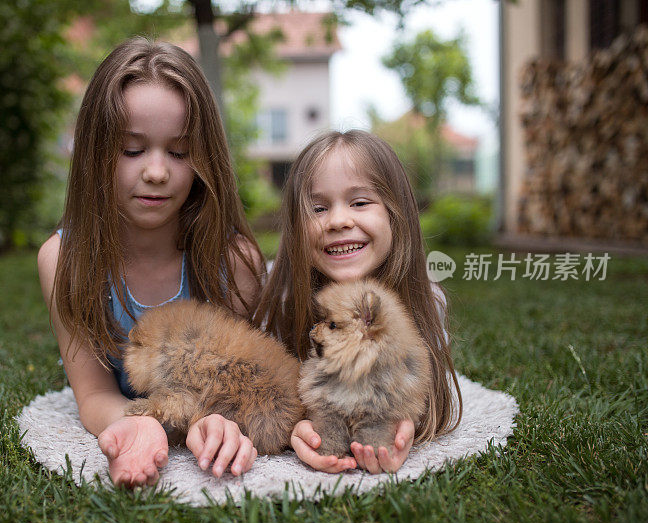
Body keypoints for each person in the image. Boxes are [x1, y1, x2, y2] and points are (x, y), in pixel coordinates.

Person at [37, 38, 264, 489]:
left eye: (179, 153)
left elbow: (234, 386)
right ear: (94, 154)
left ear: (205, 158)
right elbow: (95, 394)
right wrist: (141, 424)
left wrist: (218, 423)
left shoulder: (234, 262)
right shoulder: (65, 261)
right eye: (131, 149)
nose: (157, 172)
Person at [253, 130, 462, 474]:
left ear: (397, 215)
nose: (338, 221)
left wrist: (403, 424)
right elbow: (265, 390)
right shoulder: (283, 300)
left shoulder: (427, 298)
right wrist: (298, 426)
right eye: (318, 208)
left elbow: (428, 395)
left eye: (360, 202)